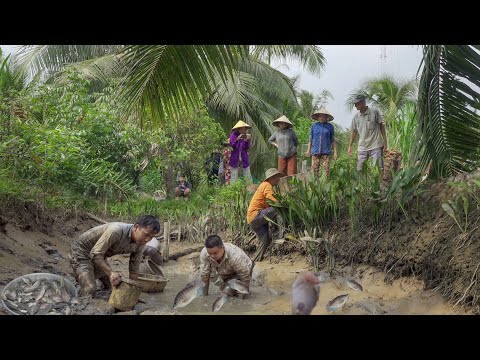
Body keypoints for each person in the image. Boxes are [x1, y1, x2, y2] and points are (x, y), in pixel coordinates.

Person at [68, 214, 160, 296]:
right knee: (90, 288)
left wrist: (132, 292)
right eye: (145, 234)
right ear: (136, 227)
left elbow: (134, 270)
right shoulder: (116, 230)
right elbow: (96, 255)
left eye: (151, 237)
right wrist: (111, 273)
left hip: (100, 256)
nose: (147, 240)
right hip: (81, 251)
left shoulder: (141, 243)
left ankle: (86, 280)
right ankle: (77, 291)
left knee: (113, 287)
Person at [247, 168, 284, 262]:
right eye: (276, 177)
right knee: (277, 209)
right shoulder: (267, 185)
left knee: (265, 241)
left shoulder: (264, 185)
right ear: (271, 178)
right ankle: (281, 232)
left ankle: (254, 262)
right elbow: (273, 200)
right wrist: (284, 204)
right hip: (256, 215)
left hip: (252, 219)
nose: (278, 179)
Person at [348, 94, 388, 174]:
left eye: (357, 103)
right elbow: (354, 132)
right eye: (355, 104)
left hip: (375, 145)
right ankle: (362, 186)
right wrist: (350, 146)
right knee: (360, 169)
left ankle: (380, 185)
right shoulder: (356, 117)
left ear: (363, 102)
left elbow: (381, 127)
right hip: (362, 147)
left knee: (378, 168)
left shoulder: (374, 112)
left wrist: (385, 141)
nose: (355, 105)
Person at [306, 107, 338, 177]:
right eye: (320, 116)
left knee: (326, 170)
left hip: (326, 151)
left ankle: (325, 185)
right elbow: (310, 139)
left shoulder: (330, 127)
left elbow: (333, 140)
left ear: (327, 117)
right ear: (318, 117)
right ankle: (315, 185)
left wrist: (335, 152)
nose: (322, 118)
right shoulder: (314, 126)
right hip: (315, 151)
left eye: (324, 116)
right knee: (314, 170)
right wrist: (308, 150)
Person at [229, 120, 253, 185]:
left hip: (244, 158)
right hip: (234, 158)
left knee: (247, 174)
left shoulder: (246, 136)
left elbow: (247, 148)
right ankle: (233, 190)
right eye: (242, 129)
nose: (243, 131)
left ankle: (250, 188)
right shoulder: (233, 135)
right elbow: (231, 146)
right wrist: (237, 139)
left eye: (244, 129)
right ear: (238, 129)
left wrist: (247, 141)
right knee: (234, 175)